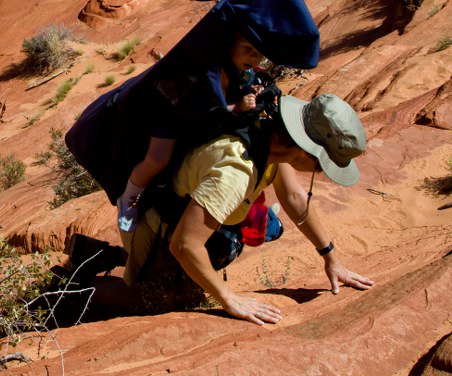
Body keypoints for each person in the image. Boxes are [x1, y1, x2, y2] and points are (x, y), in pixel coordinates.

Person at [116, 93, 374, 324]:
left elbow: (295, 198)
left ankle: (116, 258)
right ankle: (83, 286)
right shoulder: (237, 170)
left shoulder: (271, 140)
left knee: (183, 291)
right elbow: (185, 245)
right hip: (161, 239)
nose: (321, 173)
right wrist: (229, 299)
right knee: (140, 301)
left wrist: (331, 258)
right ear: (306, 152)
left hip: (191, 228)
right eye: (323, 166)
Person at [116, 32, 265, 233]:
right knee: (157, 158)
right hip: (171, 108)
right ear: (230, 44)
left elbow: (237, 91)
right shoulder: (211, 65)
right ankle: (128, 198)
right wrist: (237, 107)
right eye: (247, 49)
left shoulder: (238, 70)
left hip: (192, 119)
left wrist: (250, 93)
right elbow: (205, 108)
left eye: (259, 53)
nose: (253, 57)